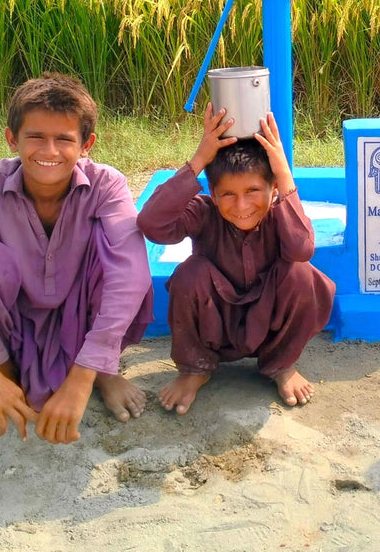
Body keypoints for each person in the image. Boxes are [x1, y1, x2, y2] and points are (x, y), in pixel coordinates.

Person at [0, 73, 153, 444]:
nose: (49, 151)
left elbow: (130, 276)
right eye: (35, 137)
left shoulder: (106, 185)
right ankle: (4, 380)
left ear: (86, 145)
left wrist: (81, 380)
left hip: (80, 313)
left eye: (64, 139)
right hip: (10, 321)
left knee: (120, 254)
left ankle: (101, 371)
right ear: (11, 138)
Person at [137, 105, 335, 414]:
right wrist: (198, 160)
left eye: (254, 190)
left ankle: (281, 365)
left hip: (269, 320)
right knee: (190, 273)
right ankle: (195, 368)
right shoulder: (204, 212)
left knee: (302, 273)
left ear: (273, 191)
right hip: (218, 322)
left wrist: (283, 172)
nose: (241, 205)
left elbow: (302, 249)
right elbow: (151, 224)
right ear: (213, 195)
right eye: (228, 194)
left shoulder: (278, 214)